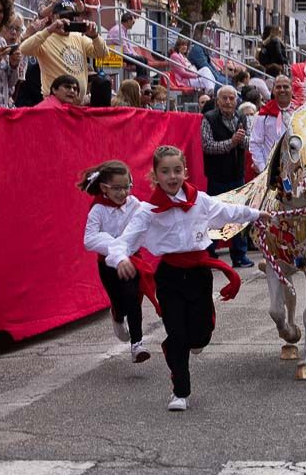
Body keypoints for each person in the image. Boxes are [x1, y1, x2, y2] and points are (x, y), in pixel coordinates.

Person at [106, 146, 268, 411]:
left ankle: (197, 339)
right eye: (165, 171)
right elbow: (123, 241)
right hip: (169, 276)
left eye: (177, 170)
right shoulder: (148, 211)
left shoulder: (200, 200)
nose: (172, 176)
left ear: (185, 172)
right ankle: (180, 391)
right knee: (177, 334)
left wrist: (254, 214)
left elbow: (226, 211)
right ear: (155, 176)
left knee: (200, 335)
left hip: (198, 273)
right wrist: (121, 259)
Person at [80, 160, 152, 364]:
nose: (123, 193)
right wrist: (116, 246)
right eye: (117, 188)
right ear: (104, 188)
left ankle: (137, 344)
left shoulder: (134, 204)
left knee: (132, 298)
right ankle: (117, 315)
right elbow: (89, 239)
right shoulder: (98, 210)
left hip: (132, 262)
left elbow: (148, 220)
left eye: (126, 187)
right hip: (108, 266)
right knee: (120, 302)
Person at [201, 85, 254, 268]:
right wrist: (231, 143)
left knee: (239, 216)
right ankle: (208, 254)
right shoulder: (209, 119)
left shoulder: (242, 118)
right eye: (224, 98)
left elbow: (249, 143)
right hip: (217, 176)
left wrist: (240, 141)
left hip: (237, 175)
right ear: (217, 101)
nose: (228, 102)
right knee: (215, 216)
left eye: (231, 98)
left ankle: (239, 255)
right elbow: (207, 146)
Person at [18, 5, 107, 102]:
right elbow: (23, 49)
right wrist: (49, 30)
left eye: (71, 17)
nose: (67, 21)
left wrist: (95, 36)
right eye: (64, 17)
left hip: (77, 102)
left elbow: (103, 54)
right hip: (55, 103)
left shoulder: (79, 37)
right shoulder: (45, 38)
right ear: (53, 17)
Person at [250, 75, 295, 174]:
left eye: (286, 87)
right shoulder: (263, 115)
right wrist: (263, 169)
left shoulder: (299, 113)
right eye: (278, 87)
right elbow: (255, 144)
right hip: (271, 171)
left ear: (292, 89)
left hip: (296, 171)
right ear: (273, 90)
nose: (282, 90)